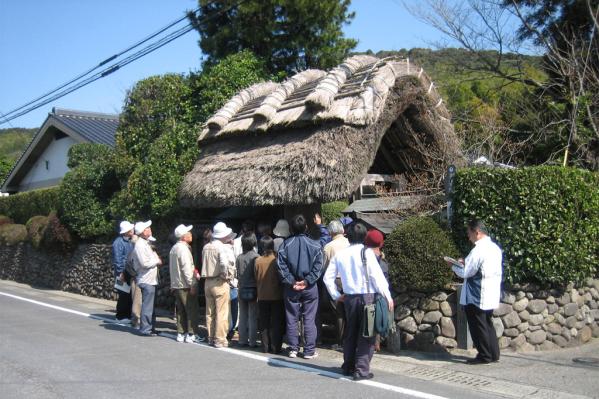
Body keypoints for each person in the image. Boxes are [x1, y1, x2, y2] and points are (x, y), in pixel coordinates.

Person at [323, 222, 393, 381]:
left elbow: (328, 278)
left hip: (349, 298)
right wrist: (388, 297)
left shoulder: (340, 254)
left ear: (347, 236)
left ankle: (348, 365)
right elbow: (378, 277)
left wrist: (336, 295)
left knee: (350, 333)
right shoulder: (367, 253)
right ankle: (361, 370)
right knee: (367, 335)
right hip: (367, 298)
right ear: (364, 237)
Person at [448, 219, 502, 365]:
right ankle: (493, 354)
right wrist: (464, 262)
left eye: (469, 232)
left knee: (478, 325)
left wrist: (453, 266)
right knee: (487, 323)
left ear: (477, 232)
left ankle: (484, 355)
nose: (468, 236)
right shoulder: (494, 248)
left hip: (477, 292)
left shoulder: (478, 250)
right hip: (491, 291)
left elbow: (466, 272)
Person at [277, 214, 323, 359]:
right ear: (306, 227)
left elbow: (280, 267)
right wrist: (307, 281)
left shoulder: (284, 246)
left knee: (291, 318)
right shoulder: (315, 245)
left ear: (290, 229)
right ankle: (309, 350)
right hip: (309, 288)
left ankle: (293, 349)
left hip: (291, 287)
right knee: (309, 318)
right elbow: (318, 267)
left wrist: (292, 281)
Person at [202, 222, 236, 348]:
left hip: (207, 282)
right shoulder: (221, 247)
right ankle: (220, 339)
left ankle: (210, 337)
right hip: (219, 281)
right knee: (222, 312)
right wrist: (225, 274)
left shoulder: (206, 247)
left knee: (210, 312)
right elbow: (224, 263)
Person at [316, 220, 350, 346]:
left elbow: (323, 267)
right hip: (349, 280)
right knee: (349, 311)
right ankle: (350, 339)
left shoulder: (328, 246)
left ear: (330, 232)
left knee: (339, 312)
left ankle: (341, 341)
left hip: (335, 281)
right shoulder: (350, 242)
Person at [169, 224, 204, 344]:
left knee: (181, 310)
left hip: (177, 284)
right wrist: (192, 284)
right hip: (185, 284)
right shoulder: (183, 249)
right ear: (183, 237)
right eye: (189, 233)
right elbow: (186, 268)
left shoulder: (174, 248)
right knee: (191, 309)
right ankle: (191, 334)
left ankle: (181, 333)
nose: (191, 234)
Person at [255, 235, 285, 354]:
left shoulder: (257, 261)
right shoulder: (277, 259)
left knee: (264, 322)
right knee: (276, 322)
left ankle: (265, 347)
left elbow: (256, 276)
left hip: (262, 294)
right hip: (277, 295)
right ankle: (276, 347)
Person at [132, 220, 162, 336]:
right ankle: (145, 329)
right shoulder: (140, 245)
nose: (150, 229)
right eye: (147, 228)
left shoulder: (145, 243)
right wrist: (156, 261)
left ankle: (150, 327)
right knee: (147, 306)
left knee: (151, 306)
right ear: (142, 232)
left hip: (150, 279)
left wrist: (155, 260)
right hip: (146, 279)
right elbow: (144, 263)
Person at [236, 232, 259, 347]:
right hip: (253, 289)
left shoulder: (239, 257)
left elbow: (237, 273)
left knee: (243, 315)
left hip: (241, 288)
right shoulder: (256, 257)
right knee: (252, 316)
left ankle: (242, 340)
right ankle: (253, 341)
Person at [111, 220, 135, 324]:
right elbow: (118, 259)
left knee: (129, 294)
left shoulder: (131, 240)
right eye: (131, 229)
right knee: (123, 294)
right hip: (121, 273)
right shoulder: (118, 242)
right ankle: (120, 316)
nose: (133, 230)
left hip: (129, 271)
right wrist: (121, 272)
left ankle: (127, 315)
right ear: (126, 231)